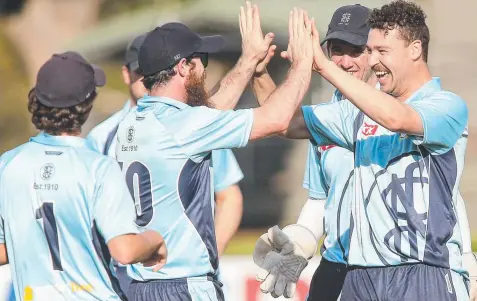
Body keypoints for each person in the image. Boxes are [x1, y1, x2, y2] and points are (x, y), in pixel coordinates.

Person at [253, 1, 473, 300]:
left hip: (422, 271)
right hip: (357, 275)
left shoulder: (446, 106)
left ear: (415, 49)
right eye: (370, 51)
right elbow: (283, 122)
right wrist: (256, 70)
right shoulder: (350, 114)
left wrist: (325, 67)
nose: (372, 61)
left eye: (380, 52)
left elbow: (397, 119)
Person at [115, 3, 315, 300]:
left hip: (141, 286)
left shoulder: (132, 122)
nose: (204, 69)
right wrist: (303, 61)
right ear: (183, 67)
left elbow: (208, 115)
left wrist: (248, 62)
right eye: (201, 60)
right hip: (184, 284)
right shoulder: (186, 125)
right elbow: (276, 119)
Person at [86, 34, 245, 295]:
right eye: (139, 70)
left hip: (181, 278)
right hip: (122, 277)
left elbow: (229, 197)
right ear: (126, 74)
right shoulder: (101, 138)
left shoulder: (197, 126)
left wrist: (207, 260)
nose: (146, 77)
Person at [0, 51, 167, 301]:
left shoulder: (8, 164)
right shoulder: (98, 168)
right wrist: (154, 240)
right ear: (87, 106)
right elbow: (124, 251)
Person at [252, 4, 375, 300]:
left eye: (355, 51)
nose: (344, 62)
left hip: (384, 268)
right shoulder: (327, 113)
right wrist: (302, 241)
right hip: (336, 264)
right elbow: (321, 200)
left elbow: (438, 189)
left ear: (375, 52)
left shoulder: (396, 108)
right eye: (337, 50)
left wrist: (462, 255)